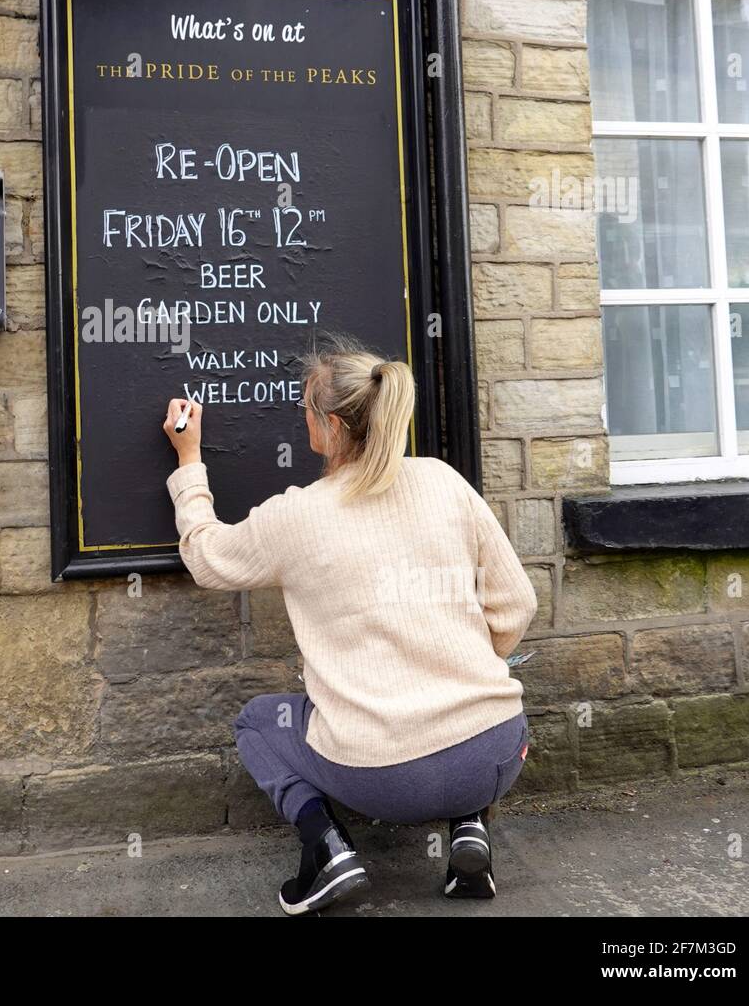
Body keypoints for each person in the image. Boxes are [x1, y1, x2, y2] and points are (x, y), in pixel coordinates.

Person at [162, 334, 538, 916]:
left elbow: (208, 558)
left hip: (385, 780)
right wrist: (464, 660)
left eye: (306, 406)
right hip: (496, 753)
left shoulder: (298, 515)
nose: (300, 415)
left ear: (331, 428)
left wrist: (189, 462)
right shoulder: (442, 480)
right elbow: (516, 604)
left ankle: (329, 851)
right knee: (461, 701)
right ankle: (469, 830)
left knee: (258, 722)